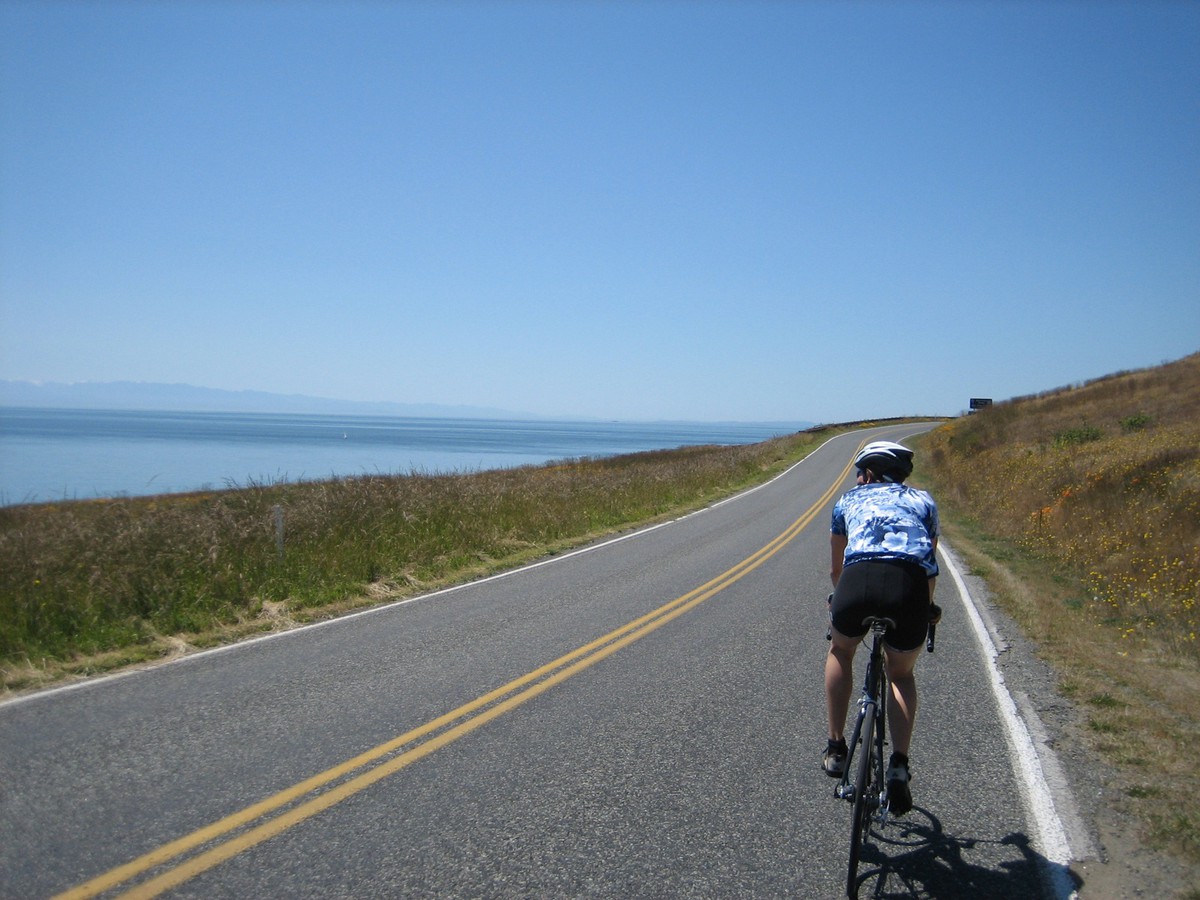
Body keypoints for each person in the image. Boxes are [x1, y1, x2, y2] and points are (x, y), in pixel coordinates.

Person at [822, 440, 939, 816]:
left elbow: (836, 569)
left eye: (860, 473)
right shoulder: (923, 502)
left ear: (869, 473)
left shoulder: (848, 501)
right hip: (908, 588)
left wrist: (838, 598)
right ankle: (900, 765)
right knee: (900, 674)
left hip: (857, 583)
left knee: (841, 650)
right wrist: (928, 607)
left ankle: (836, 747)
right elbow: (928, 564)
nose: (857, 479)